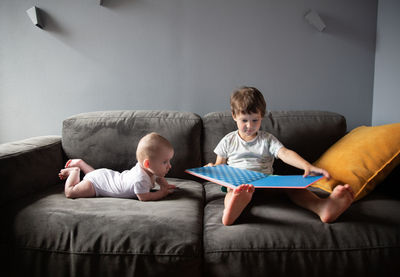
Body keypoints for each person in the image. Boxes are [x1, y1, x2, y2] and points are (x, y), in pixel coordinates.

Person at [206, 86, 354, 225]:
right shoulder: (228, 140)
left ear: (262, 116)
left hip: (265, 184)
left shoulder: (267, 139)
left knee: (294, 187)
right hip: (239, 184)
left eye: (255, 120)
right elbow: (220, 165)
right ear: (234, 116)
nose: (249, 126)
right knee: (233, 190)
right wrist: (213, 168)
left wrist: (307, 166)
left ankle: (322, 207)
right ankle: (232, 209)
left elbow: (284, 153)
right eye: (244, 120)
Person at [58, 132, 176, 201]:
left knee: (93, 175)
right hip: (97, 185)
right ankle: (75, 171)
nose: (169, 166)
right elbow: (144, 197)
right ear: (147, 164)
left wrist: (165, 185)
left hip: (104, 176)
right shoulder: (140, 179)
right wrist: (162, 193)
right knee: (70, 192)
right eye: (165, 162)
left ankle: (82, 164)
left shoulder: (150, 170)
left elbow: (159, 178)